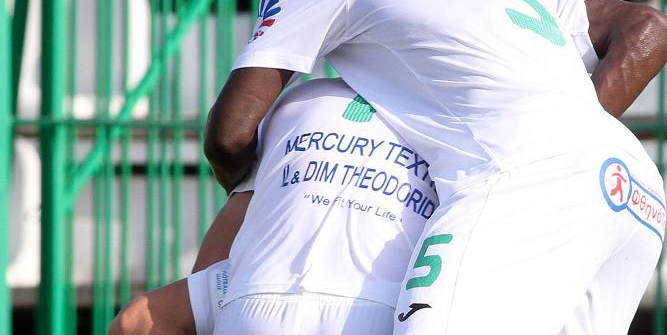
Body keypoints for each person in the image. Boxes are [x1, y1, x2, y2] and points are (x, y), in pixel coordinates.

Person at [202, 0, 667, 334]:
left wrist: (251, 192)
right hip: (632, 187)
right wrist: (578, 142)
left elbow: (230, 135)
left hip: (523, 178)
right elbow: (652, 27)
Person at [110, 78, 439, 335]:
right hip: (387, 308)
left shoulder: (297, 100)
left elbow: (137, 321)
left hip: (257, 299)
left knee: (141, 320)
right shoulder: (452, 116)